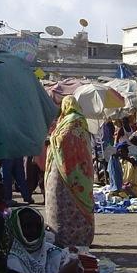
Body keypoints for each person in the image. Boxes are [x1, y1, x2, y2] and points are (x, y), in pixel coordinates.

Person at [44, 97, 95, 247]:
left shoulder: (73, 121)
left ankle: (68, 238)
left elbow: (64, 139)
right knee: (64, 205)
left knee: (65, 204)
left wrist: (52, 139)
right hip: (76, 172)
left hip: (69, 172)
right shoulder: (75, 121)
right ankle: (73, 237)